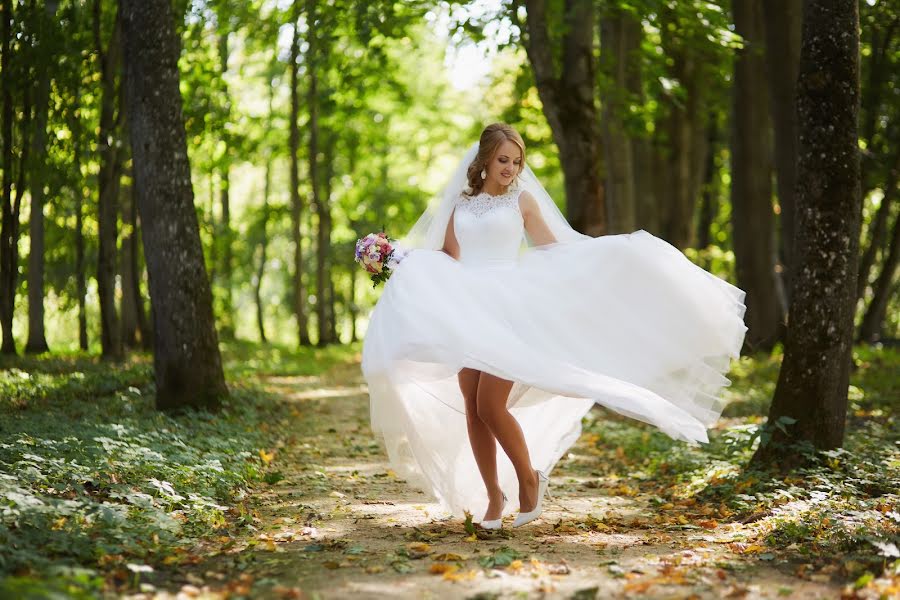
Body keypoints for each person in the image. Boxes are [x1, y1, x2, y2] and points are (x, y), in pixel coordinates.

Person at [362, 123, 747, 529]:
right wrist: (399, 260)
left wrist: (606, 257)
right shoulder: (460, 205)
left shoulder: (522, 202)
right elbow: (448, 258)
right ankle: (494, 497)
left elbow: (554, 251)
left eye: (516, 161)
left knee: (490, 404)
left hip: (509, 308)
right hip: (468, 309)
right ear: (484, 160)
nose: (510, 168)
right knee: (473, 409)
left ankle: (528, 480)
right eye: (502, 160)